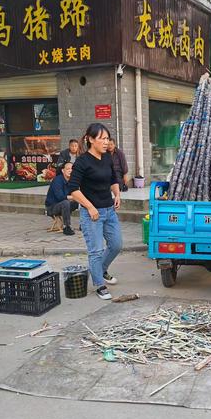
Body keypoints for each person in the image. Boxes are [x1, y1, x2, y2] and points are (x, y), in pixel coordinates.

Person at [69, 123, 122, 300]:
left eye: (107, 138)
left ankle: (101, 269)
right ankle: (100, 284)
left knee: (116, 245)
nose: (106, 142)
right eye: (102, 139)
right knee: (96, 251)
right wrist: (90, 207)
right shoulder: (82, 162)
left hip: (109, 209)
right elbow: (73, 189)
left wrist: (117, 194)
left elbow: (113, 179)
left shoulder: (107, 157)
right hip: (92, 214)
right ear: (91, 139)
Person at [45, 161, 78, 236]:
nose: (70, 171)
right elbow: (60, 197)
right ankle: (67, 227)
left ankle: (83, 225)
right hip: (52, 207)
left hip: (65, 204)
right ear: (63, 170)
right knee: (65, 202)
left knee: (81, 201)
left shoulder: (73, 180)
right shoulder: (57, 180)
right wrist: (75, 197)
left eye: (72, 169)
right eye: (68, 169)